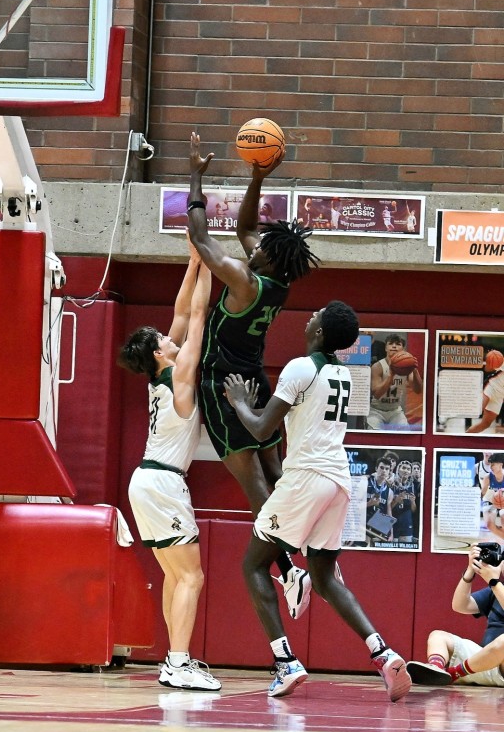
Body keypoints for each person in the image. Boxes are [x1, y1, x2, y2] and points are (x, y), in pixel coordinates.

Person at [223, 300, 411, 701]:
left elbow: (259, 429)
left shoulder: (300, 367)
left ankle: (286, 663)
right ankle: (383, 652)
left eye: (316, 315)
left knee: (253, 564)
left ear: (321, 332)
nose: (310, 317)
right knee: (326, 577)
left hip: (307, 478)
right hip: (339, 480)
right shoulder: (342, 373)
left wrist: (239, 402)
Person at [186, 131, 319, 617]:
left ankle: (290, 568)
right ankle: (311, 552)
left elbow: (201, 238)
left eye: (260, 244)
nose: (254, 242)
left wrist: (196, 178)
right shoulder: (278, 280)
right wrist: (256, 179)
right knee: (277, 472)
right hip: (256, 379)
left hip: (226, 384)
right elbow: (247, 224)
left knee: (254, 486)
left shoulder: (245, 281)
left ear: (265, 255)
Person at [117, 248, 219, 691]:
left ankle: (173, 660)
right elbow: (196, 315)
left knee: (176, 575)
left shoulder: (160, 372)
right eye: (164, 338)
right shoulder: (179, 377)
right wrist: (213, 262)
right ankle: (178, 662)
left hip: (147, 481)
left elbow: (179, 312)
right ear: (160, 354)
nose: (171, 335)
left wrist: (193, 261)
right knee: (191, 576)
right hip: (162, 482)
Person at [407, 545, 504, 687]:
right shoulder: (496, 589)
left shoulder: (496, 586)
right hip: (482, 662)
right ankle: (436, 669)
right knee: (438, 636)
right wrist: (470, 571)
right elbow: (460, 605)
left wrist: (494, 582)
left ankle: (453, 673)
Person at [367, 334, 422, 430]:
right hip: (376, 411)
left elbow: (418, 390)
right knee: (373, 436)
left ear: (403, 349)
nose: (394, 346)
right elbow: (377, 394)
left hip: (395, 411)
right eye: (391, 343)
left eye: (398, 344)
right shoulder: (378, 366)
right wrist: (391, 376)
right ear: (385, 348)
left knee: (405, 434)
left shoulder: (407, 368)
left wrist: (415, 371)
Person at [365, 453, 396, 544]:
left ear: (389, 472)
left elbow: (388, 513)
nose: (384, 471)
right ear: (376, 469)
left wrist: (391, 532)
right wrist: (368, 504)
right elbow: (353, 506)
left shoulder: (389, 491)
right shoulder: (365, 482)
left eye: (387, 469)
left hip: (378, 526)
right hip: (362, 524)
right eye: (381, 468)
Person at [479, 454, 504, 538]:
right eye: (490, 465)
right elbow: (482, 493)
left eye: (493, 464)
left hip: (502, 501)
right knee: (489, 525)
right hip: (490, 499)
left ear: (501, 464)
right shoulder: (488, 477)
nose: (491, 467)